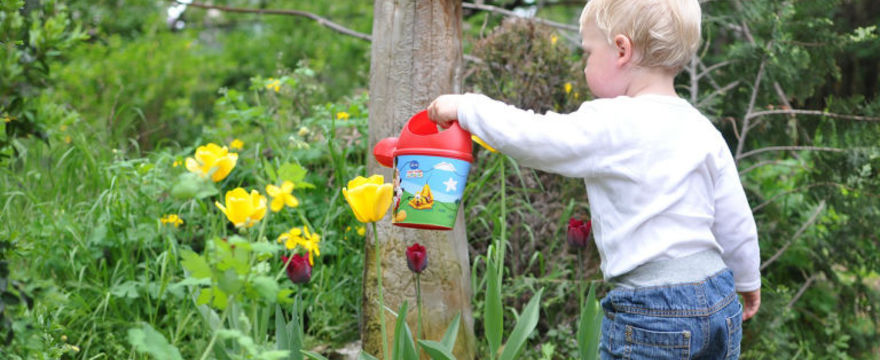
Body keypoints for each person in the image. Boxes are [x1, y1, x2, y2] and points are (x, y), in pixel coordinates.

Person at [426, 0, 760, 358]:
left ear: (621, 50)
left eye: (587, 52)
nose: (583, 63)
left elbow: (536, 137)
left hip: (654, 310)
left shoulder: (612, 121)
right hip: (718, 297)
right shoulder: (701, 127)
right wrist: (747, 279)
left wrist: (467, 108)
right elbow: (734, 216)